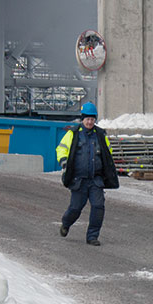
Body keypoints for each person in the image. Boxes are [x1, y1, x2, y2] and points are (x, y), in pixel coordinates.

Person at [56, 101, 119, 246]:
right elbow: (61, 149)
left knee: (98, 206)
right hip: (78, 180)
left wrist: (108, 171)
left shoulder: (100, 135)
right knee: (75, 208)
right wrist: (64, 162)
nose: (90, 122)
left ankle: (92, 236)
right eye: (87, 119)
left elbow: (108, 153)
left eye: (92, 119)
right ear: (82, 119)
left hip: (96, 180)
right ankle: (66, 223)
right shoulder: (73, 133)